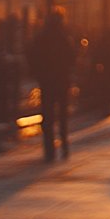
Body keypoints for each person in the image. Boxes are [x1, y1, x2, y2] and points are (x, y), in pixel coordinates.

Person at [29, 9, 75, 161]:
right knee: (62, 115)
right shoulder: (64, 38)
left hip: (47, 81)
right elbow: (72, 58)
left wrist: (39, 74)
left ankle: (49, 149)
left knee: (47, 115)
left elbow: (32, 57)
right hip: (62, 81)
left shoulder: (41, 38)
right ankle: (64, 145)